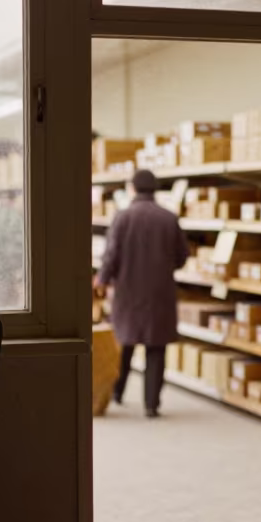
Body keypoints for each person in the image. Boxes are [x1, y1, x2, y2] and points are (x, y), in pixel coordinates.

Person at [95, 169, 189, 417]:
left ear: (132, 189)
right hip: (160, 293)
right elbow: (182, 257)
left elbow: (111, 255)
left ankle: (117, 392)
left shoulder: (123, 217)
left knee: (124, 344)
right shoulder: (169, 218)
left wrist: (102, 280)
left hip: (128, 292)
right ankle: (152, 404)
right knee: (156, 349)